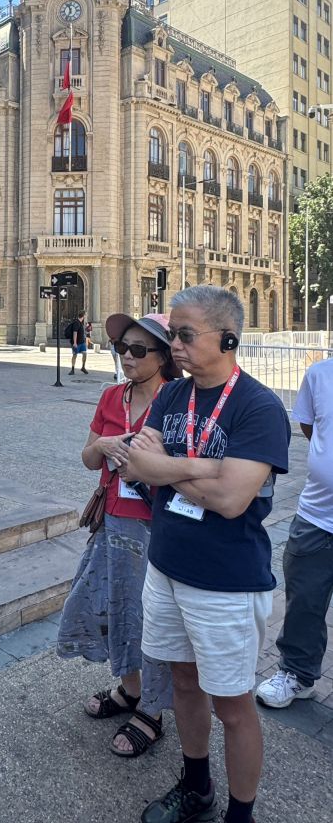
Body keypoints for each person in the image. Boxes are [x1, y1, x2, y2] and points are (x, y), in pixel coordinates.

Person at [125, 285, 290, 823]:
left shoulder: (259, 407)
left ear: (228, 339)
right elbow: (135, 464)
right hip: (166, 566)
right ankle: (196, 788)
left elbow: (231, 500)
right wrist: (203, 467)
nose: (173, 344)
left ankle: (240, 816)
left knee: (233, 705)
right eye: (172, 333)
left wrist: (168, 468)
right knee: (183, 681)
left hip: (226, 583)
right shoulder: (173, 394)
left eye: (185, 334)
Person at [57, 313, 178, 757]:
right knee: (113, 608)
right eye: (121, 348)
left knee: (150, 618)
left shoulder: (177, 402)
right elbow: (88, 458)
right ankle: (131, 690)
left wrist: (150, 464)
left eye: (138, 350)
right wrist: (102, 446)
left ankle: (153, 710)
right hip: (112, 521)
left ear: (163, 357)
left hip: (157, 529)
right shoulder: (111, 396)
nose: (127, 357)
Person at [256, 355, 333, 708]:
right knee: (304, 600)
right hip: (317, 515)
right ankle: (297, 674)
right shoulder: (320, 374)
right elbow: (311, 426)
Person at [69, 310, 88, 375]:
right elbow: (75, 333)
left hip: (82, 342)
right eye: (85, 315)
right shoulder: (76, 323)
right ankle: (72, 369)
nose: (85, 316)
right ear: (83, 316)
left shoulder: (81, 323)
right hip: (77, 343)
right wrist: (74, 343)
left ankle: (83, 367)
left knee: (85, 354)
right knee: (75, 355)